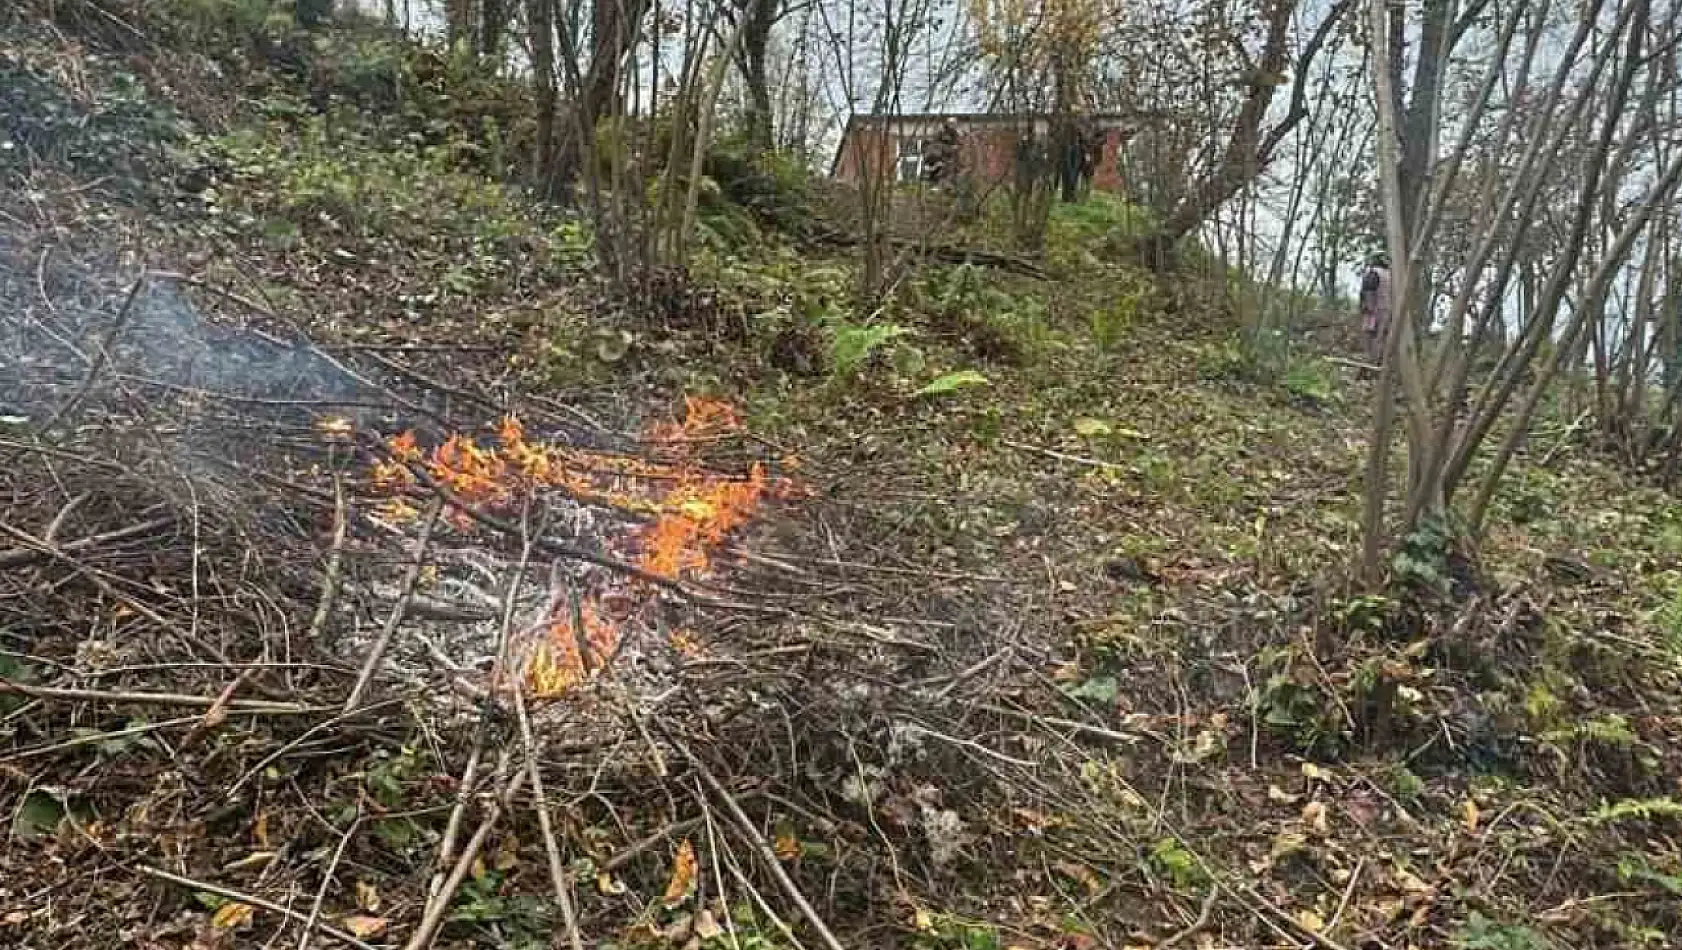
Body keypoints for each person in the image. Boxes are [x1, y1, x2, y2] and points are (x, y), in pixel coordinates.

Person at [1359, 253, 1392, 364]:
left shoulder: (1373, 273)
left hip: (1374, 311)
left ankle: (1370, 361)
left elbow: (1368, 290)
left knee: (1370, 337)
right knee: (1382, 338)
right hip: (1387, 310)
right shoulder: (1391, 275)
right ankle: (1378, 361)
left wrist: (1369, 308)